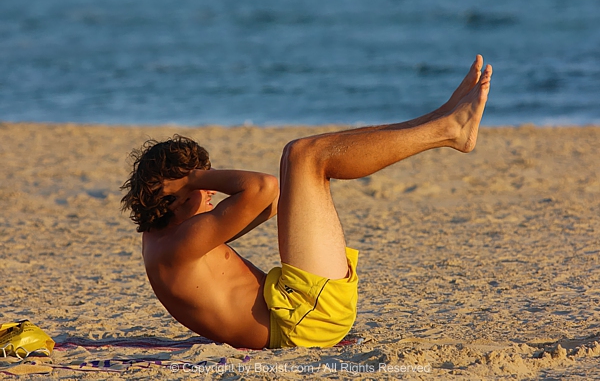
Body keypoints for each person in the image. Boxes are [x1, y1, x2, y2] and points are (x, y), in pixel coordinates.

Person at [121, 55, 493, 349]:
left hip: (299, 310)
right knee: (304, 155)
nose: (210, 193)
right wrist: (194, 178)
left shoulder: (173, 238)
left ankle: (439, 119)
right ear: (169, 195)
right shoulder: (176, 247)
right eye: (199, 188)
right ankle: (446, 129)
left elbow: (272, 202)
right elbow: (265, 189)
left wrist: (193, 182)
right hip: (303, 322)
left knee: (297, 157)